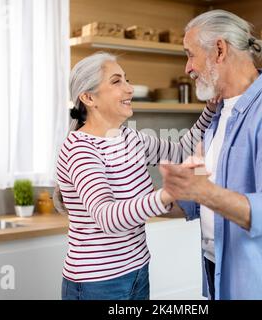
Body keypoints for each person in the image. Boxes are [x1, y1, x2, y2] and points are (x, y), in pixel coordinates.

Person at [159, 10, 262, 299]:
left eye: (190, 54)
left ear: (219, 50)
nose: (187, 68)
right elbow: (199, 198)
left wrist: (203, 191)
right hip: (219, 274)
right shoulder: (219, 113)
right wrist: (148, 199)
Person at [54, 52, 216, 300]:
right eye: (117, 81)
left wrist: (210, 110)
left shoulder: (131, 138)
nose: (129, 89)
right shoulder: (80, 149)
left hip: (137, 271)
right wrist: (167, 194)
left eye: (126, 80)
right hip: (97, 284)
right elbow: (107, 217)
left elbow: (180, 151)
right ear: (88, 97)